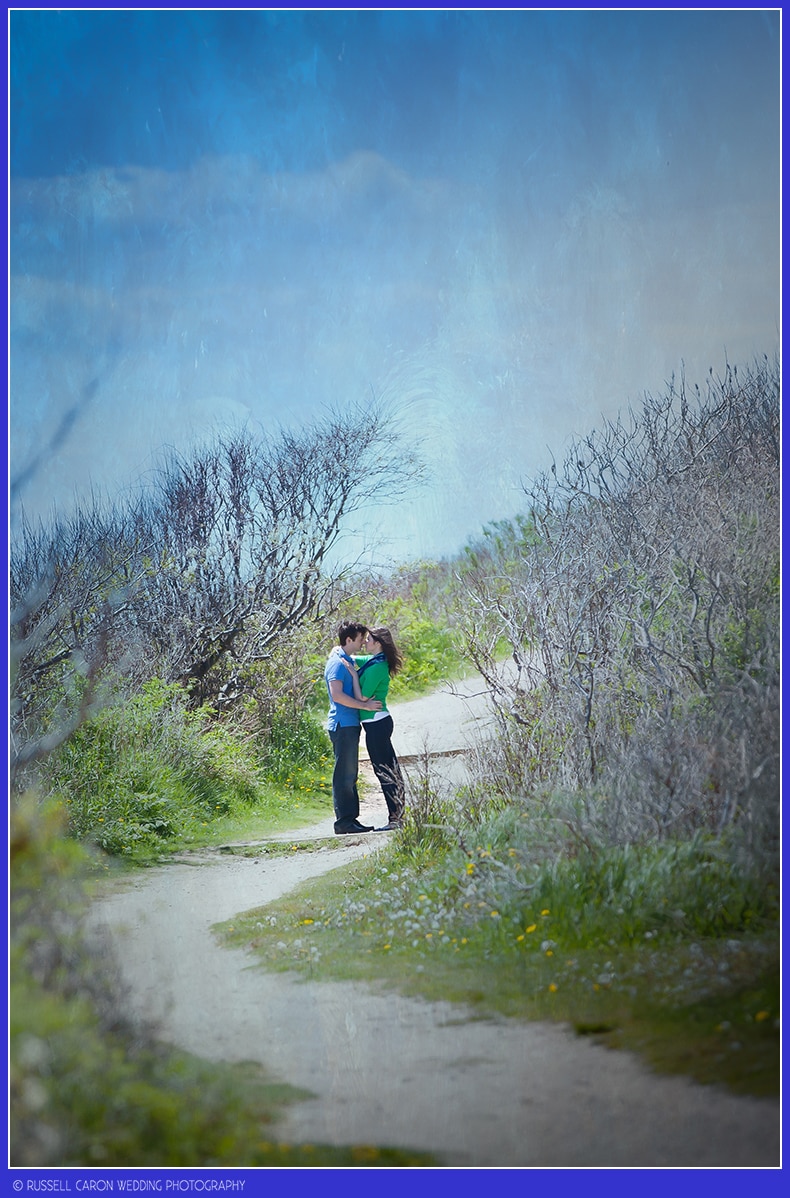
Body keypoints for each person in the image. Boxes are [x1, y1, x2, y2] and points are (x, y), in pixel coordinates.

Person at [342, 626, 406, 832]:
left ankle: (396, 819)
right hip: (377, 724)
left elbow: (363, 698)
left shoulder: (377, 667)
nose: (365, 643)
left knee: (385, 772)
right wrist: (341, 653)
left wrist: (353, 675)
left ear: (378, 643)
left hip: (377, 724)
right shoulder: (374, 661)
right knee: (388, 770)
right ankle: (398, 817)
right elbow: (355, 660)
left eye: (368, 640)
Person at [324, 621, 382, 835]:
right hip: (342, 724)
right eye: (359, 639)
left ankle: (351, 819)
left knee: (350, 774)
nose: (362, 643)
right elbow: (337, 695)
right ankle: (344, 823)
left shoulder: (344, 659)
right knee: (344, 775)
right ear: (349, 640)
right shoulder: (337, 664)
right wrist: (364, 705)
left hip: (350, 724)